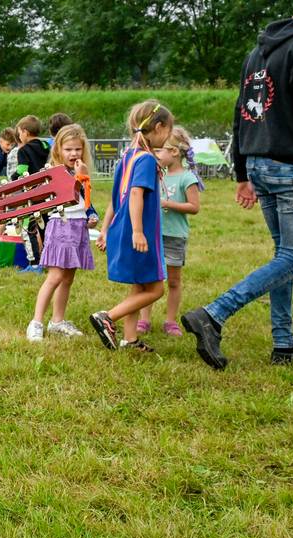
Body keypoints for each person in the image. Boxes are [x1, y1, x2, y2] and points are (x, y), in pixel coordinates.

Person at [182, 0, 293, 370]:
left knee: (284, 257)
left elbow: (242, 113)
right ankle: (213, 315)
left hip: (262, 166)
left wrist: (244, 174)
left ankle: (284, 345)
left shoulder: (257, 51)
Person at [89, 100, 172, 353]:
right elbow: (135, 194)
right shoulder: (146, 159)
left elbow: (116, 199)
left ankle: (130, 339)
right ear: (158, 127)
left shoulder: (127, 156)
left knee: (139, 285)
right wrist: (138, 231)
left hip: (121, 229)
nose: (168, 137)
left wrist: (105, 229)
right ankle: (107, 317)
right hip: (137, 233)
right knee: (156, 289)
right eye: (168, 130)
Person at [26, 123, 98, 341]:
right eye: (68, 149)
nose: (74, 153)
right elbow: (67, 193)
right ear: (58, 150)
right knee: (55, 276)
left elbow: (84, 199)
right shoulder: (54, 172)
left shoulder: (80, 170)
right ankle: (36, 322)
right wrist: (81, 177)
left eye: (77, 149)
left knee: (68, 277)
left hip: (78, 227)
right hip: (61, 226)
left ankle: (57, 321)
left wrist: (91, 214)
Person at [137, 126, 202, 336]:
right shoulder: (157, 174)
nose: (156, 155)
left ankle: (170, 320)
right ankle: (144, 319)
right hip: (155, 235)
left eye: (159, 151)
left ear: (174, 152)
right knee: (149, 278)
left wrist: (168, 204)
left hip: (175, 237)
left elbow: (194, 207)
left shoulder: (187, 178)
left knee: (173, 281)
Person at [12, 115, 52, 272]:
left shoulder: (24, 150)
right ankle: (51, 259)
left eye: (19, 132)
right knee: (47, 226)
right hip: (48, 192)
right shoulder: (46, 146)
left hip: (31, 195)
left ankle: (34, 263)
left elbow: (22, 171)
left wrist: (12, 180)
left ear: (25, 132)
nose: (19, 136)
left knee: (28, 227)